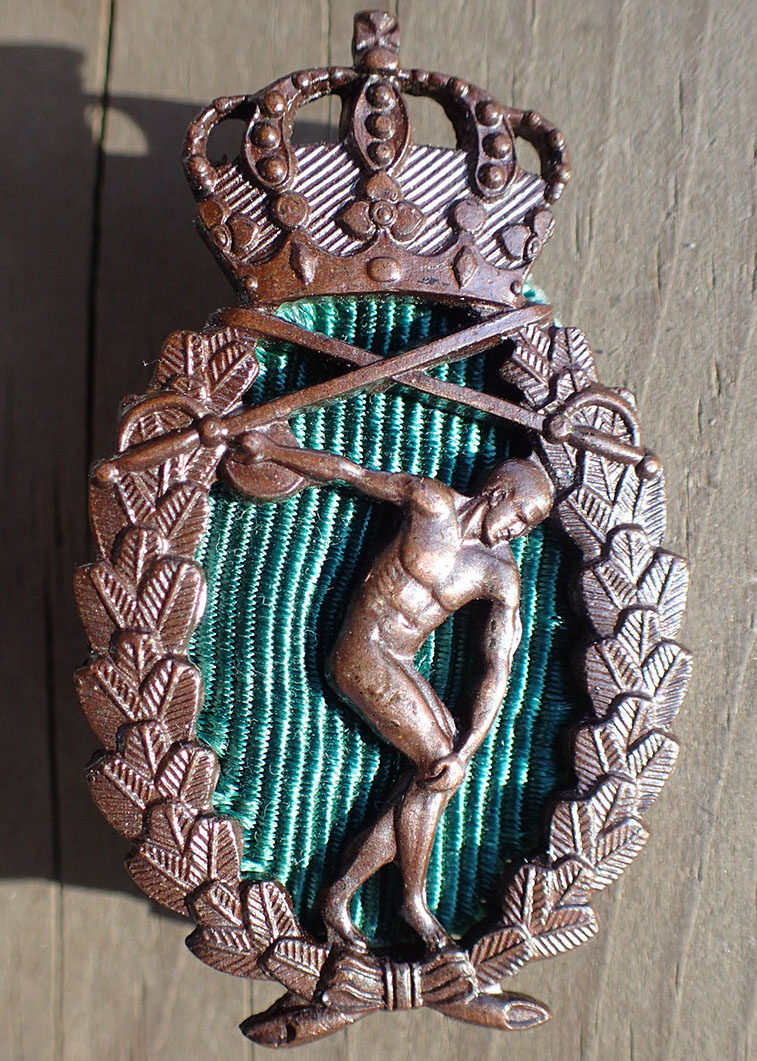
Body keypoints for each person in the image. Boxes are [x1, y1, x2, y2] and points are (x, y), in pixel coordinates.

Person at [238, 430, 554, 951]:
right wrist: (271, 452)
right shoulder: (432, 504)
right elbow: (352, 473)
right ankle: (409, 903)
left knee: (441, 769)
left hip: (398, 662)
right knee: (435, 763)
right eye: (520, 516)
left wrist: (466, 751)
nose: (518, 531)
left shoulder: (501, 575)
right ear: (498, 493)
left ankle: (343, 895)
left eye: (529, 526)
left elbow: (496, 669)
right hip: (360, 652)